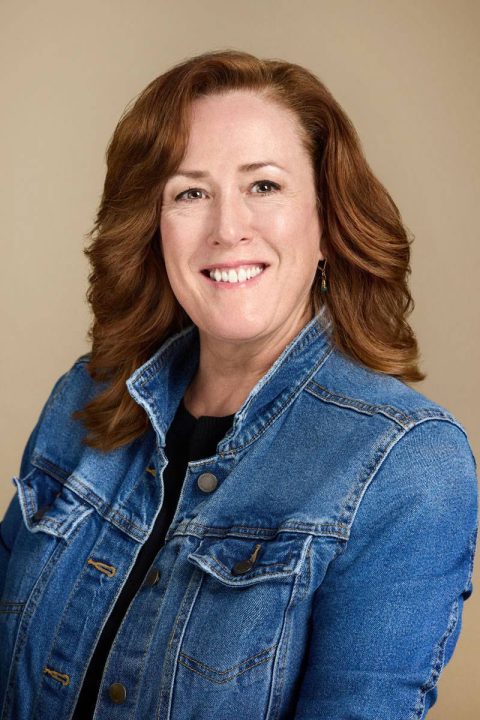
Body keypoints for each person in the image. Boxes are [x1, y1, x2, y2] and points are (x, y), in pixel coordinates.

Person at [0, 49, 477, 720]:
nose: (227, 230)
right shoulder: (83, 398)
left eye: (264, 186)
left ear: (327, 226)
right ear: (154, 229)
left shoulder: (408, 467)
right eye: (190, 192)